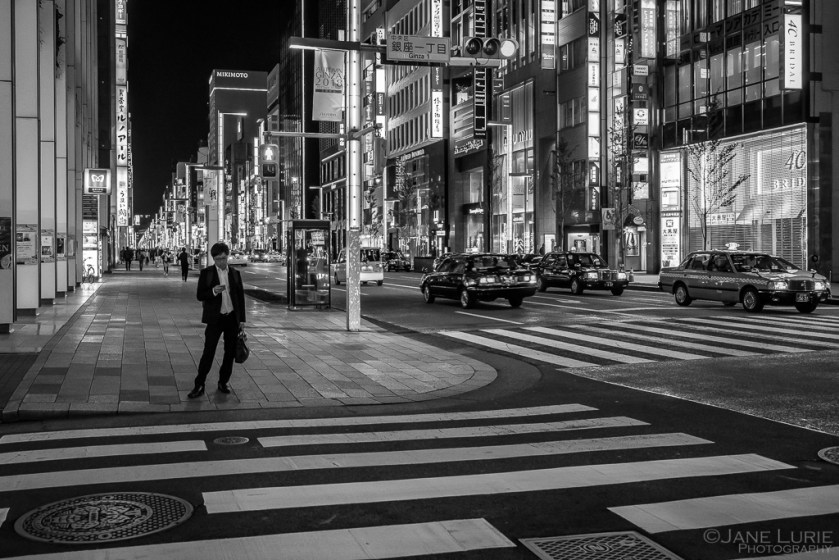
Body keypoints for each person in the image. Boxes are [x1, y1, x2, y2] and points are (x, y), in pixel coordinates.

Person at [188, 242, 246, 398]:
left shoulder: (234, 273)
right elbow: (200, 295)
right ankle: (199, 384)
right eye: (218, 259)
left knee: (229, 353)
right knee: (208, 352)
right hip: (215, 318)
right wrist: (213, 291)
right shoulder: (207, 273)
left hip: (232, 318)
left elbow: (240, 297)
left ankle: (223, 382)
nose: (222, 261)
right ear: (213, 258)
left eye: (224, 258)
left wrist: (242, 320)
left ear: (228, 256)